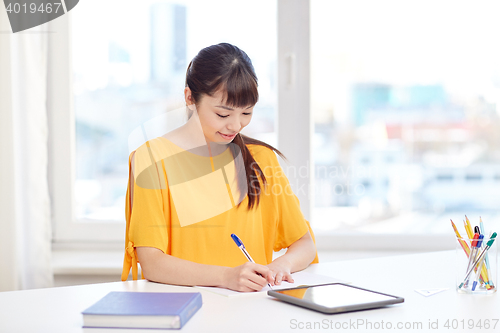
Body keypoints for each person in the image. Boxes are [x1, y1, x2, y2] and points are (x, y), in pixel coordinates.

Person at [121, 43, 318, 292]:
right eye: (223, 115)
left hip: (252, 309)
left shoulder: (262, 159)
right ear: (190, 98)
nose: (235, 126)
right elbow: (152, 263)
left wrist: (283, 264)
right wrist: (227, 277)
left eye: (246, 113)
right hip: (186, 310)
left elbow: (304, 243)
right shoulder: (152, 159)